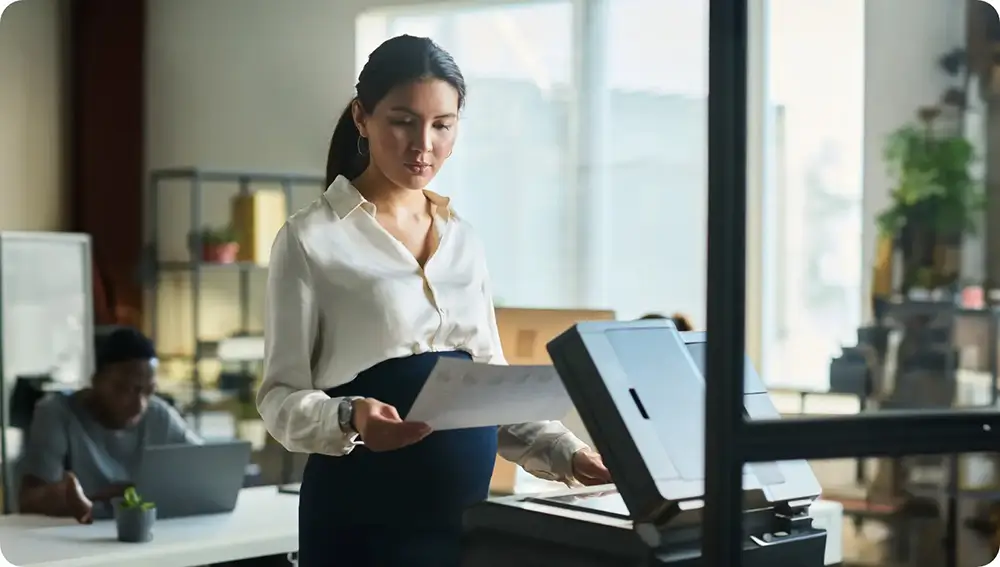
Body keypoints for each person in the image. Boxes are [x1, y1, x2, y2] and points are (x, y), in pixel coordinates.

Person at [257, 34, 611, 567]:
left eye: (442, 125)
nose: (423, 145)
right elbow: (279, 400)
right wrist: (351, 415)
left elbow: (492, 392)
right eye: (402, 120)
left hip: (460, 526)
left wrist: (571, 455)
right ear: (362, 117)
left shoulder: (464, 240)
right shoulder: (310, 240)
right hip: (358, 523)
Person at [18, 327, 201, 523]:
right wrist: (71, 499)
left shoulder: (158, 413)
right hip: (76, 538)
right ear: (96, 381)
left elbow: (207, 465)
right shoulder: (56, 413)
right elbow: (28, 500)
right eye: (125, 389)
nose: (140, 404)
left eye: (148, 391)